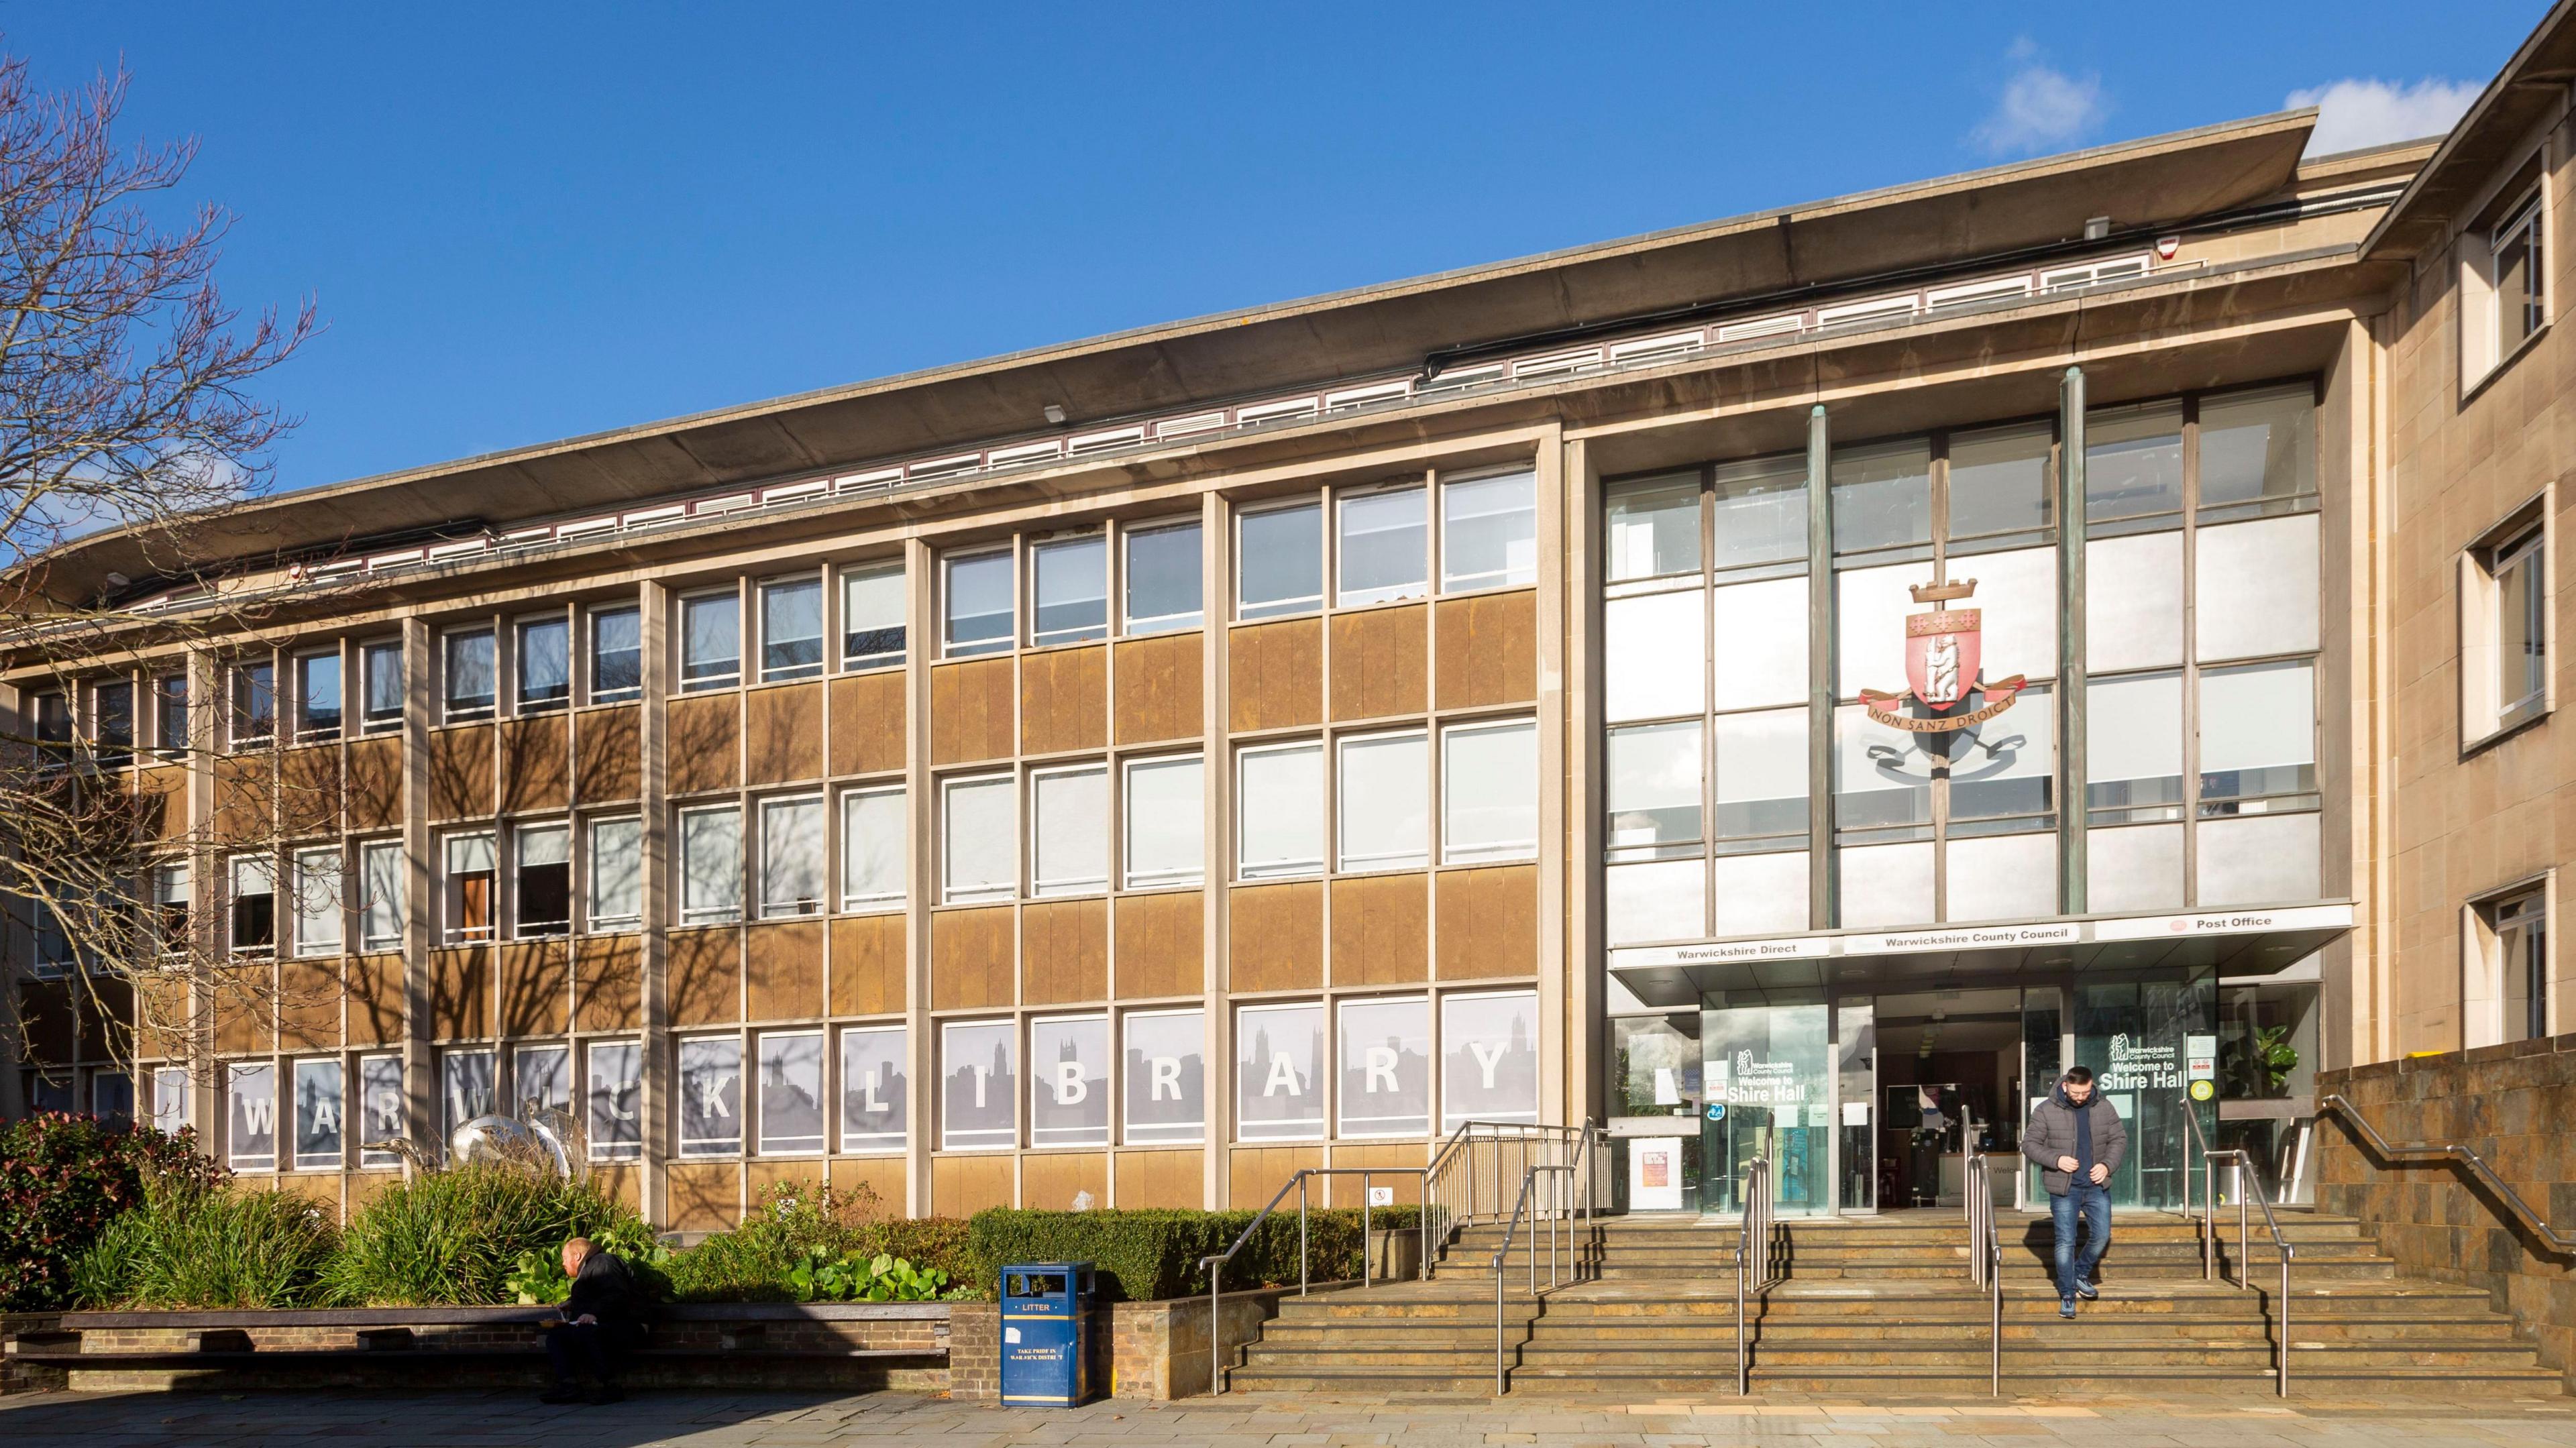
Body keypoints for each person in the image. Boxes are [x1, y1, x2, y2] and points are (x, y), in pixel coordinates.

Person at [2022, 1066, 2126, 1320]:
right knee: (2065, 1242)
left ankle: (2080, 1273)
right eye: (2076, 1092)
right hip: (2064, 1187)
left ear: (2092, 1085)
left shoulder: (2104, 1106)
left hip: (2096, 1186)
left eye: (2086, 1092)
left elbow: (2119, 1139)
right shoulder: (2046, 1110)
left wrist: (2107, 1165)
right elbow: (2029, 1145)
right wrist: (2057, 1160)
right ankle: (2067, 1293)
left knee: (2101, 1235)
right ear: (2066, 1085)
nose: (2081, 1097)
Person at [542, 1236, 644, 1404]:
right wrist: (573, 1304)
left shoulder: (602, 1261)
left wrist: (593, 1314)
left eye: (565, 1258)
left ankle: (610, 1386)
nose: (563, 1264)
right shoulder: (591, 1268)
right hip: (606, 1326)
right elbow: (598, 1294)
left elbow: (616, 1293)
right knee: (557, 1337)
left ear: (577, 1256)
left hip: (626, 1326)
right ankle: (569, 1385)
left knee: (588, 1333)